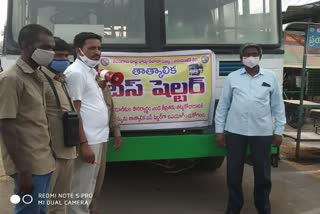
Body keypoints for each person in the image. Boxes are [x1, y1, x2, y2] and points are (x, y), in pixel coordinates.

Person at [215, 43, 286, 214]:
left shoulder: (270, 77)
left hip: (262, 132)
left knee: (262, 174)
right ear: (241, 58)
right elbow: (223, 105)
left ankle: (263, 207)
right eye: (246, 55)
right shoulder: (232, 77)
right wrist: (219, 130)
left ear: (260, 56)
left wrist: (278, 131)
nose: (250, 57)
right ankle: (234, 207)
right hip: (235, 132)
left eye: (254, 54)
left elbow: (278, 106)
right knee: (233, 172)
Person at [0, 24, 56, 214]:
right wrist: (23, 171)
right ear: (26, 45)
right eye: (45, 47)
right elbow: (6, 125)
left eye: (52, 47)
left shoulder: (38, 74)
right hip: (29, 166)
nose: (51, 52)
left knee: (40, 210)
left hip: (44, 160)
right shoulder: (11, 79)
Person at [64, 32, 122, 214]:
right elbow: (74, 113)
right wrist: (84, 144)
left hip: (98, 138)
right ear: (79, 51)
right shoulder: (76, 73)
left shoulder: (90, 72)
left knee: (90, 184)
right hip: (88, 140)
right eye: (92, 48)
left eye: (99, 48)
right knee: (80, 187)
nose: (97, 52)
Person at [38, 37, 77, 214]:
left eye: (65, 56)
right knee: (42, 204)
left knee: (60, 203)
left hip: (67, 150)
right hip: (50, 154)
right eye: (58, 56)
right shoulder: (39, 80)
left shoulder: (61, 79)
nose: (63, 60)